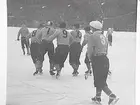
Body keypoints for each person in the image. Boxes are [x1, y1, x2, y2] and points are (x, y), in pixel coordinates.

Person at [87, 21, 119, 105]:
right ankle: (98, 97)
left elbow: (90, 49)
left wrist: (90, 58)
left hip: (97, 59)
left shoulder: (92, 36)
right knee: (101, 79)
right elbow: (106, 49)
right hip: (104, 58)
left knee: (99, 80)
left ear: (93, 28)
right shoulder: (103, 36)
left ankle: (112, 95)